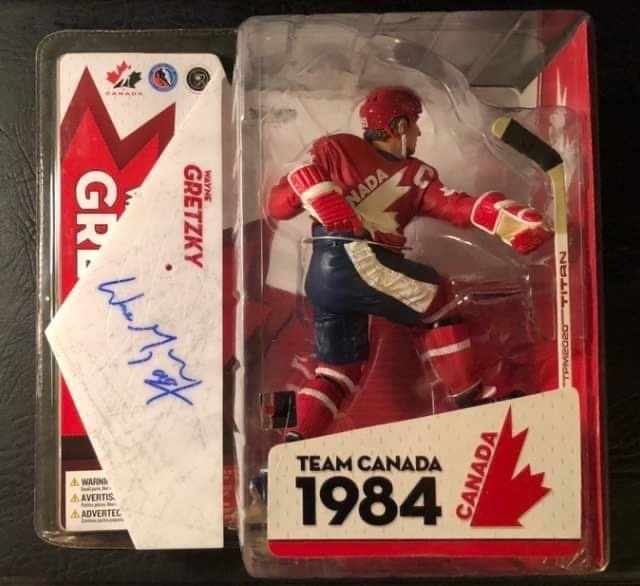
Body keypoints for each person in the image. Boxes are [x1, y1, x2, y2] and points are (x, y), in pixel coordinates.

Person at [267, 86, 551, 441]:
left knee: (338, 372)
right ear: (399, 126)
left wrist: (501, 217)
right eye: (414, 124)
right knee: (438, 299)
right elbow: (278, 204)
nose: (417, 133)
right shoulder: (338, 150)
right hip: (358, 258)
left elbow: (454, 206)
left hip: (324, 276)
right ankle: (472, 398)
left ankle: (288, 445)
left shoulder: (414, 173)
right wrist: (312, 188)